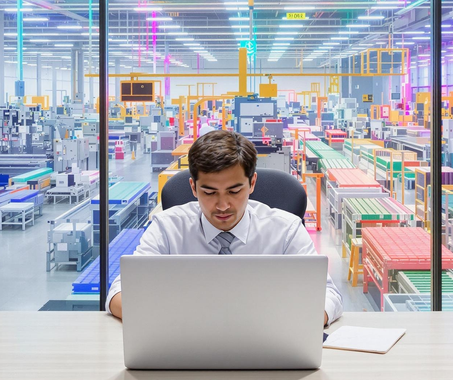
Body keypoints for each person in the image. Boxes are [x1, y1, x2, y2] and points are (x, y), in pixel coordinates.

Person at [107, 130, 343, 326]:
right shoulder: (167, 228)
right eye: (209, 193)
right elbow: (120, 292)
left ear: (252, 183)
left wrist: (286, 322)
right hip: (185, 345)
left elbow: (328, 295)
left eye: (234, 191)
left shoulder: (285, 230)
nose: (222, 205)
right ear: (193, 187)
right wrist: (180, 322)